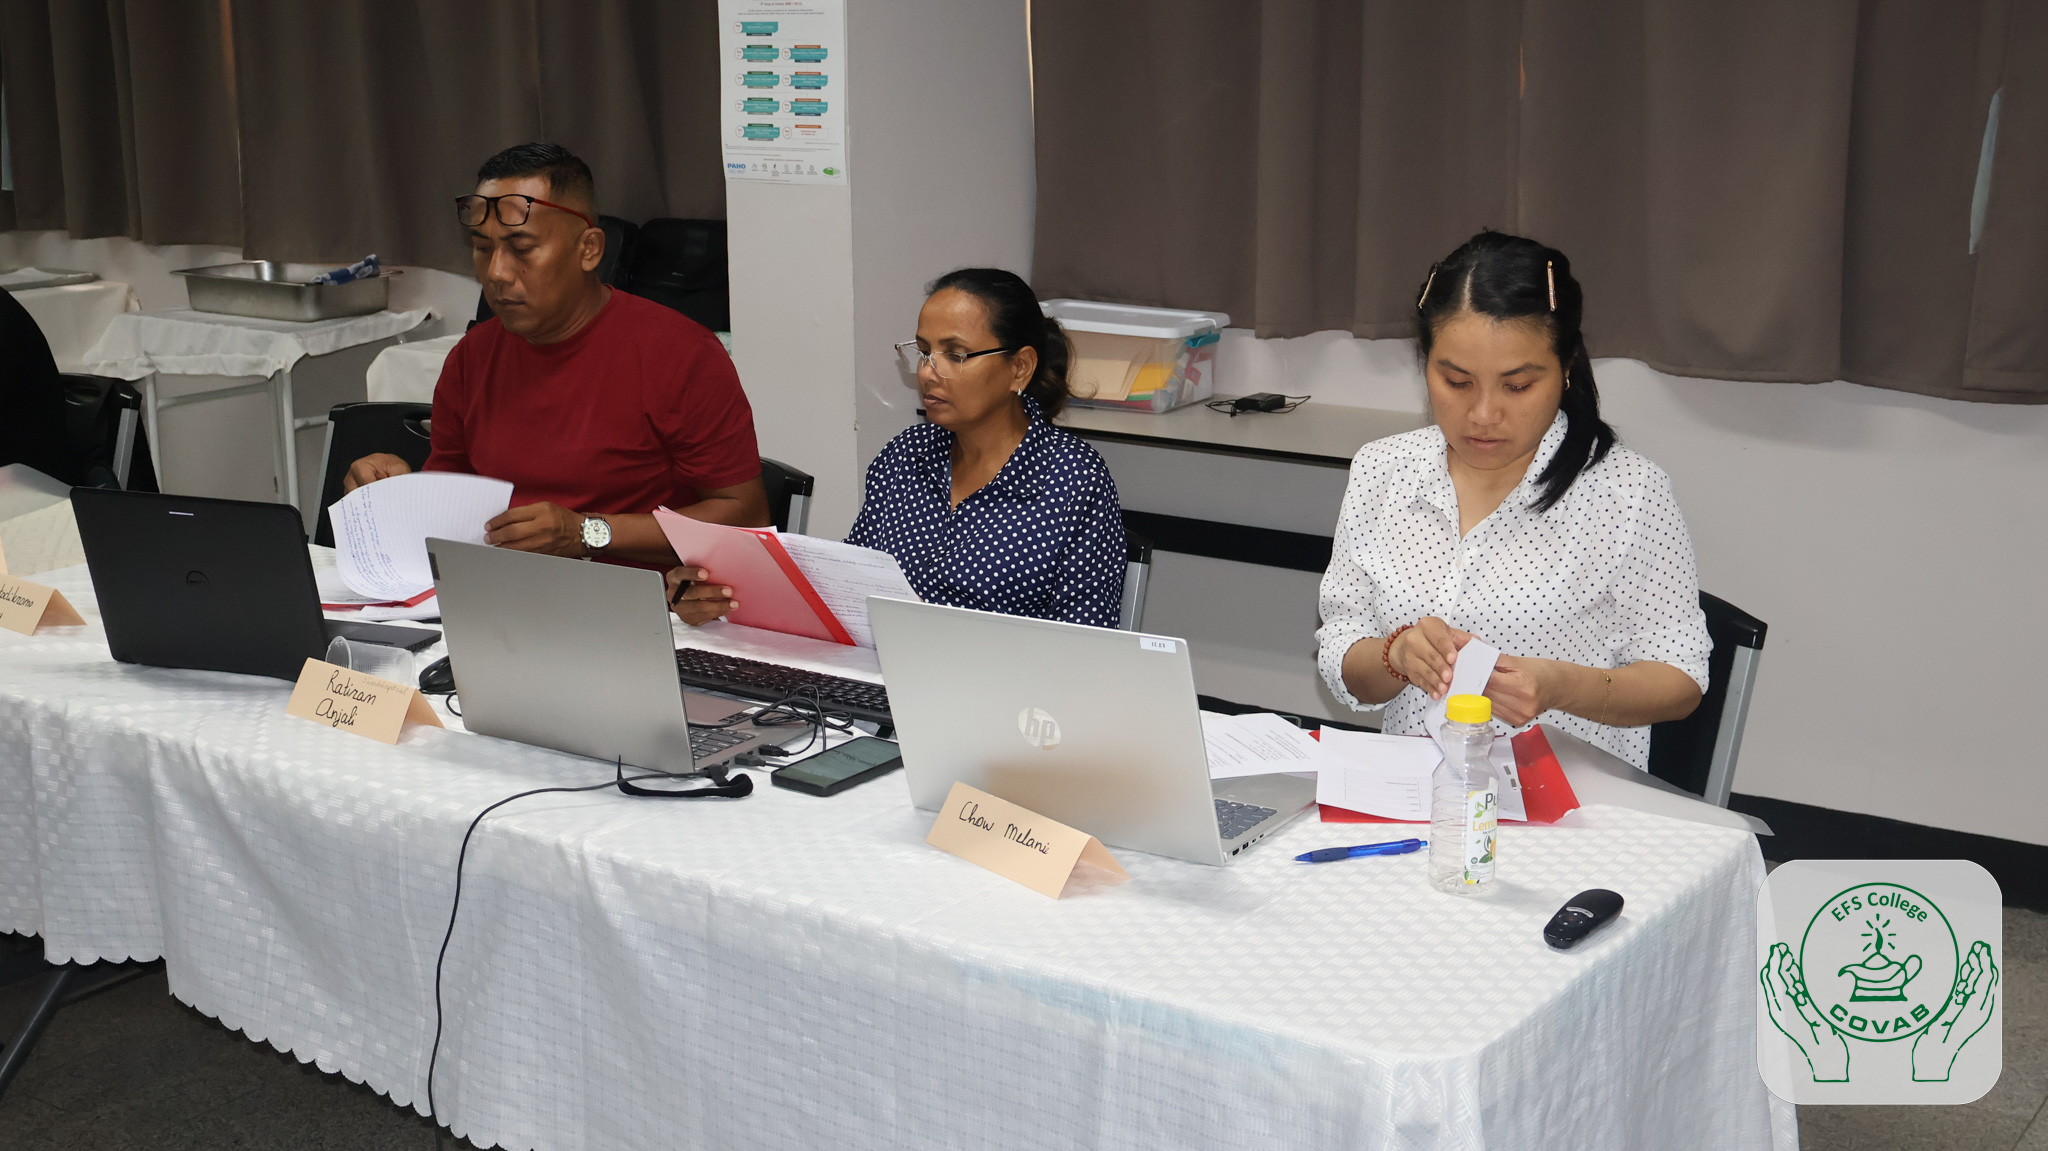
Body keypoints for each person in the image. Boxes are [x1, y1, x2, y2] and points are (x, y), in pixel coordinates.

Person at [1316, 231, 1711, 768]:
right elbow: (1342, 650)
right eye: (1456, 382)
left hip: (1567, 797)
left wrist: (1559, 686)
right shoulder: (1383, 469)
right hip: (1414, 788)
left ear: (1566, 367)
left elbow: (1681, 680)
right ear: (1426, 363)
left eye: (1518, 386)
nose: (1483, 414)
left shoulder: (1626, 492)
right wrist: (1396, 656)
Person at [343, 143, 768, 565]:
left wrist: (585, 532)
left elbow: (746, 516)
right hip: (500, 587)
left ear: (589, 250)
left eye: (522, 249)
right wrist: (394, 491)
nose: (497, 273)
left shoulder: (681, 355)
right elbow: (451, 500)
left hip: (632, 595)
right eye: (483, 248)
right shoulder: (472, 356)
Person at [669, 268, 1127, 628]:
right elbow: (850, 588)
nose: (927, 372)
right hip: (879, 686)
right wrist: (721, 598)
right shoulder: (907, 455)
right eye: (924, 351)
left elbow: (1086, 645)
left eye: (955, 354)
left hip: (1002, 703)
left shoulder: (1071, 480)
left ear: (1020, 367)